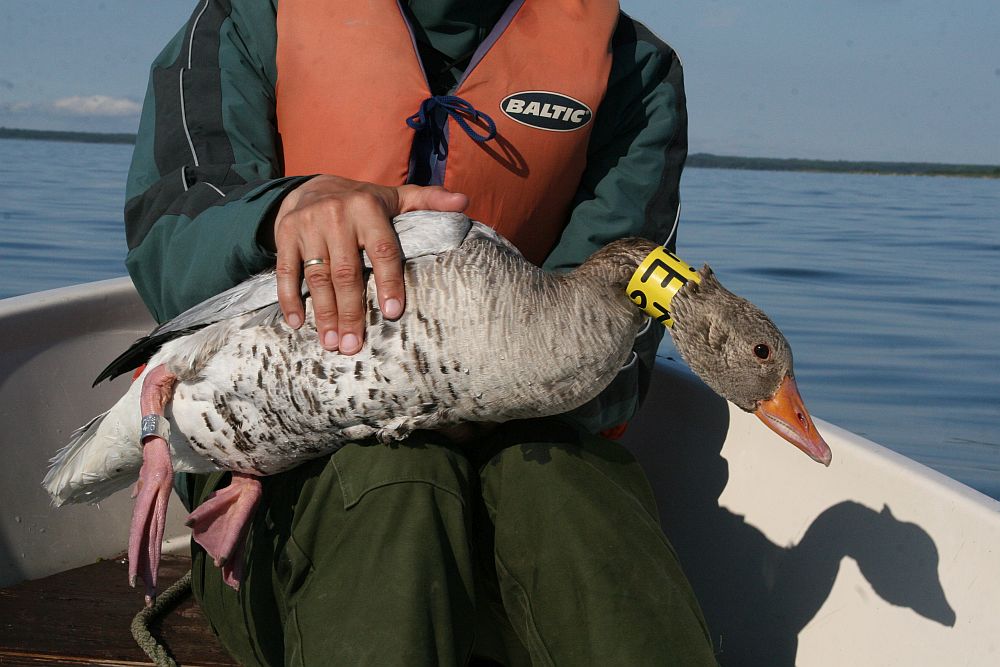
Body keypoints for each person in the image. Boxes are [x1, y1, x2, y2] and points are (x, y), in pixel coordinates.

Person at [125, 1, 716, 664]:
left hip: (525, 442)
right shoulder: (251, 17)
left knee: (569, 504)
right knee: (395, 492)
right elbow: (170, 239)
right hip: (297, 448)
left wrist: (461, 394)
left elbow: (619, 347)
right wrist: (280, 212)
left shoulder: (632, 67)